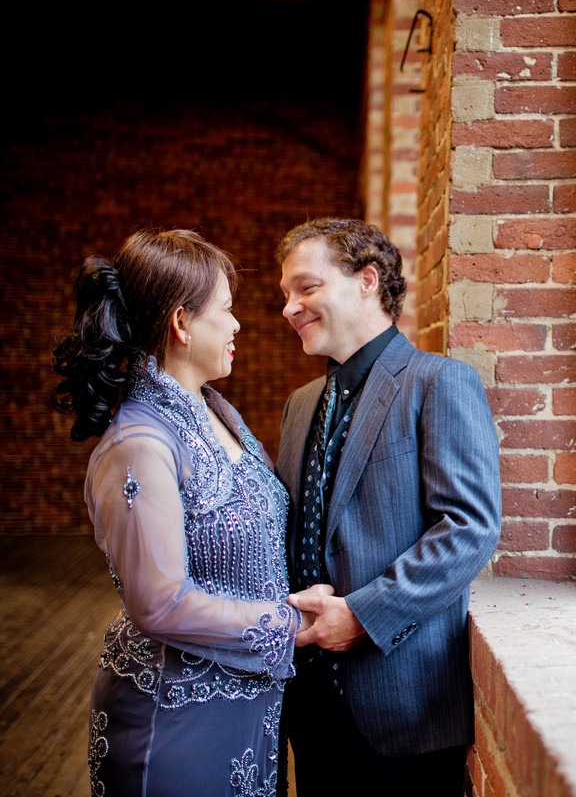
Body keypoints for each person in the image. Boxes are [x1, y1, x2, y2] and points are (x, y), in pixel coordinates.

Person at [51, 229, 304, 796]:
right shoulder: (139, 441)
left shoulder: (217, 411)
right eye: (227, 310)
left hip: (248, 707)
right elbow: (159, 601)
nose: (238, 325)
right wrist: (292, 625)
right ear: (182, 323)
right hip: (174, 717)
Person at [276, 217, 501, 796]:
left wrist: (361, 616)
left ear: (367, 280)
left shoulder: (439, 383)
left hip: (403, 705)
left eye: (306, 287)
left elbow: (470, 527)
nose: (290, 308)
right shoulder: (299, 405)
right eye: (286, 295)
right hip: (308, 703)